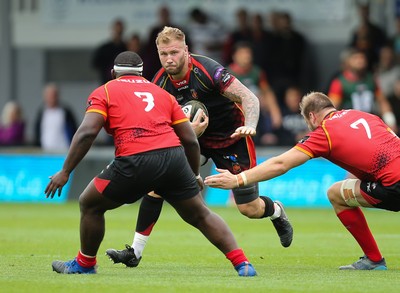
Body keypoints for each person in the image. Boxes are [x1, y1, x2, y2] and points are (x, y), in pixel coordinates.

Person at [46, 51, 257, 277]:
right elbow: (189, 140)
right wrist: (193, 174)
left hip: (134, 158)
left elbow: (87, 133)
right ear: (142, 73)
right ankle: (243, 264)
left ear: (113, 73)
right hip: (174, 160)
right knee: (200, 215)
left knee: (90, 204)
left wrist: (66, 171)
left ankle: (84, 264)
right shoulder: (161, 93)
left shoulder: (105, 91)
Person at [105, 26, 293, 268]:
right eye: (163, 54)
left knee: (248, 208)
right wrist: (185, 135)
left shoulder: (208, 70)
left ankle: (276, 210)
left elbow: (249, 97)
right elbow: (157, 123)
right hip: (193, 139)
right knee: (156, 186)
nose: (169, 59)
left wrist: (251, 125)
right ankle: (135, 253)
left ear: (186, 50)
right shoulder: (159, 83)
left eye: (174, 52)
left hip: (231, 137)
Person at [205, 91, 400, 270]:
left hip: (395, 185)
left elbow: (280, 164)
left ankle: (374, 259)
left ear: (312, 117)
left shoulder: (324, 133)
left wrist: (238, 179)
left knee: (336, 194)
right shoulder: (366, 116)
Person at [328, 48, 397, 132]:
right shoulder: (339, 83)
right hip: (350, 125)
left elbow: (382, 102)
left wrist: (390, 120)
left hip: (371, 123)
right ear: (347, 62)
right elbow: (332, 108)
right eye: (356, 58)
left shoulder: (371, 79)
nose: (360, 61)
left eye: (362, 58)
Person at [227, 41, 281, 146]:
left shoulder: (257, 72)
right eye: (242, 53)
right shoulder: (227, 73)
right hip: (235, 111)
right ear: (235, 56)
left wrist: (275, 112)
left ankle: (266, 136)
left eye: (248, 53)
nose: (246, 56)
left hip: (256, 110)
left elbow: (267, 92)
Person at [34, 83, 77, 152]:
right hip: (45, 151)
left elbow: (73, 129)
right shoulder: (41, 112)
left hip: (63, 150)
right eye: (49, 95)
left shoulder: (65, 112)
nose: (52, 98)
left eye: (54, 95)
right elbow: (37, 132)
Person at [92, 18, 127, 84]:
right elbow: (95, 64)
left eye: (120, 31)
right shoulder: (104, 49)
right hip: (107, 82)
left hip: (122, 83)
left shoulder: (126, 47)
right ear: (113, 30)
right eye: (117, 30)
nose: (118, 32)